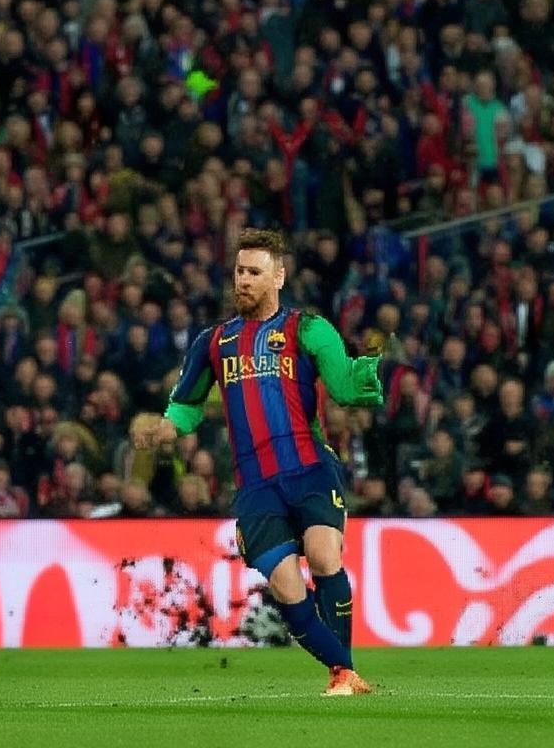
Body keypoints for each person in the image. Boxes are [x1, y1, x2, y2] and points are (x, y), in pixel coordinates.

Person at [132, 228, 384, 696]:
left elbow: (344, 386)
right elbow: (185, 407)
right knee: (287, 588)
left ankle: (343, 673)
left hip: (310, 469)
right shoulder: (214, 342)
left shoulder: (308, 329)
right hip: (256, 485)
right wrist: (161, 430)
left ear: (278, 277)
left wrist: (366, 372)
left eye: (254, 272)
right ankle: (344, 671)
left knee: (324, 556)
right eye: (239, 272)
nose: (243, 280)